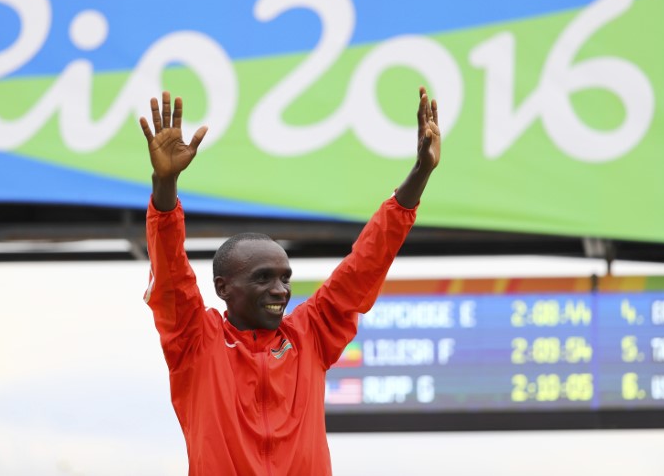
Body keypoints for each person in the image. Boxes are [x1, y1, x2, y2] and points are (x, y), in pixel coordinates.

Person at [140, 87, 440, 475]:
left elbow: (365, 264)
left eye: (285, 278)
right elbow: (170, 274)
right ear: (223, 287)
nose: (280, 290)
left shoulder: (309, 335)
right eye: (263, 278)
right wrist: (164, 188)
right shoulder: (195, 340)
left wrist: (420, 173)